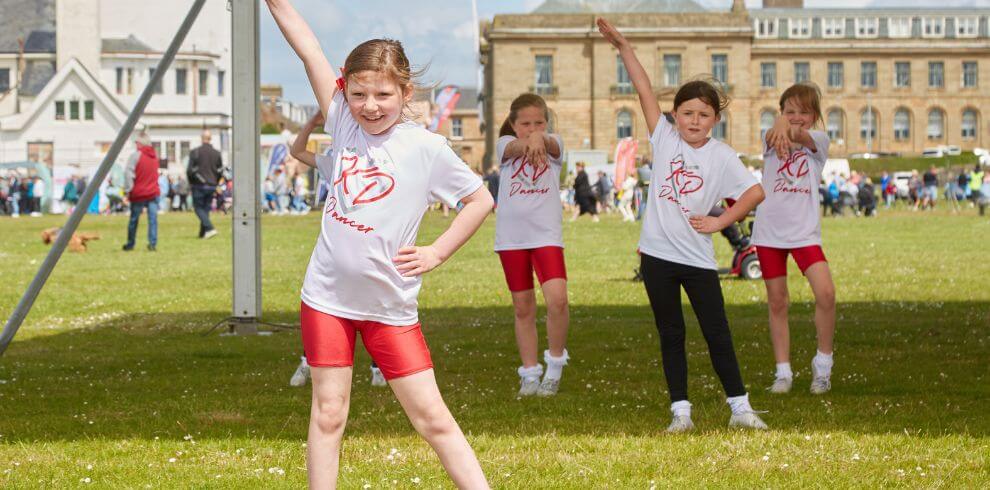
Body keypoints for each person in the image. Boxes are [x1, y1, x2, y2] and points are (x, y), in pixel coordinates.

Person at [266, 1, 493, 487]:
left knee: (433, 419)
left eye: (384, 95)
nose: (370, 106)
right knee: (329, 415)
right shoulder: (342, 123)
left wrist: (437, 251)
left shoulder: (427, 148)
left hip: (389, 307)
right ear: (345, 90)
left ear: (405, 92)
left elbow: (479, 200)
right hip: (326, 299)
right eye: (360, 93)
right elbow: (307, 46)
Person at [598, 18, 768, 432]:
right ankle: (681, 413)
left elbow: (754, 193)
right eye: (687, 113)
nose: (694, 121)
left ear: (714, 121)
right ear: (674, 115)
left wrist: (720, 221)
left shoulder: (723, 156)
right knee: (671, 334)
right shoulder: (664, 138)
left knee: (717, 332)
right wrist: (623, 45)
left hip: (697, 259)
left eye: (703, 115)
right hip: (657, 257)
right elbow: (642, 86)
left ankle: (740, 408)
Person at [753, 83, 837, 396]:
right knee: (778, 301)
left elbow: (798, 136)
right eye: (790, 111)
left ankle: (823, 365)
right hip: (769, 233)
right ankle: (783, 372)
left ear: (815, 116)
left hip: (803, 234)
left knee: (826, 293)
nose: (796, 117)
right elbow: (777, 133)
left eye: (804, 111)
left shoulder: (819, 141)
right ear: (781, 112)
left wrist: (783, 122)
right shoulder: (769, 138)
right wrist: (778, 122)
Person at [494, 93, 571, 397]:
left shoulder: (556, 146)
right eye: (525, 123)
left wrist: (541, 136)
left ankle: (554, 365)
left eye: (539, 122)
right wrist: (529, 139)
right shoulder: (504, 145)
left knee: (557, 301)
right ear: (513, 124)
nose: (532, 127)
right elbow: (514, 147)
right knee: (523, 307)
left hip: (546, 237)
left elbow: (549, 145)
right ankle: (529, 373)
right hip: (512, 239)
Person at [123, 131, 161, 251]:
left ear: (140, 143)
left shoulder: (135, 156)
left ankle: (130, 243)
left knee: (134, 219)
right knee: (153, 219)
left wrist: (128, 190)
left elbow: (128, 173)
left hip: (139, 192)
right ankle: (153, 243)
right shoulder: (155, 156)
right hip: (153, 191)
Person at [187, 130, 224, 239]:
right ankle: (203, 233)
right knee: (206, 209)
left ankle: (210, 228)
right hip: (211, 184)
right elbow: (220, 170)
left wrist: (191, 182)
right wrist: (216, 183)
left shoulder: (195, 152)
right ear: (210, 138)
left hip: (199, 185)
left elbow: (189, 170)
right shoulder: (216, 153)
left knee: (198, 208)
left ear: (201, 138)